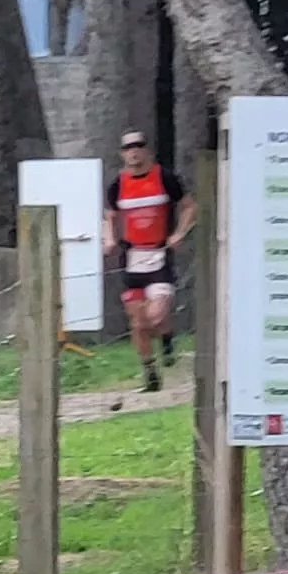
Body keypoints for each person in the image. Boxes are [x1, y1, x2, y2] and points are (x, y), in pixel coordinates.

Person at [103, 128, 197, 392]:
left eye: (138, 146)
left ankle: (166, 337)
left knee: (155, 317)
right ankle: (149, 372)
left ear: (146, 150)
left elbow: (190, 206)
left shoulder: (164, 178)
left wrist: (179, 233)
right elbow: (109, 216)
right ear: (122, 154)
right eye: (128, 147)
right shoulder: (117, 184)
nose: (134, 151)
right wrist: (109, 239)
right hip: (132, 258)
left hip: (160, 256)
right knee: (138, 322)